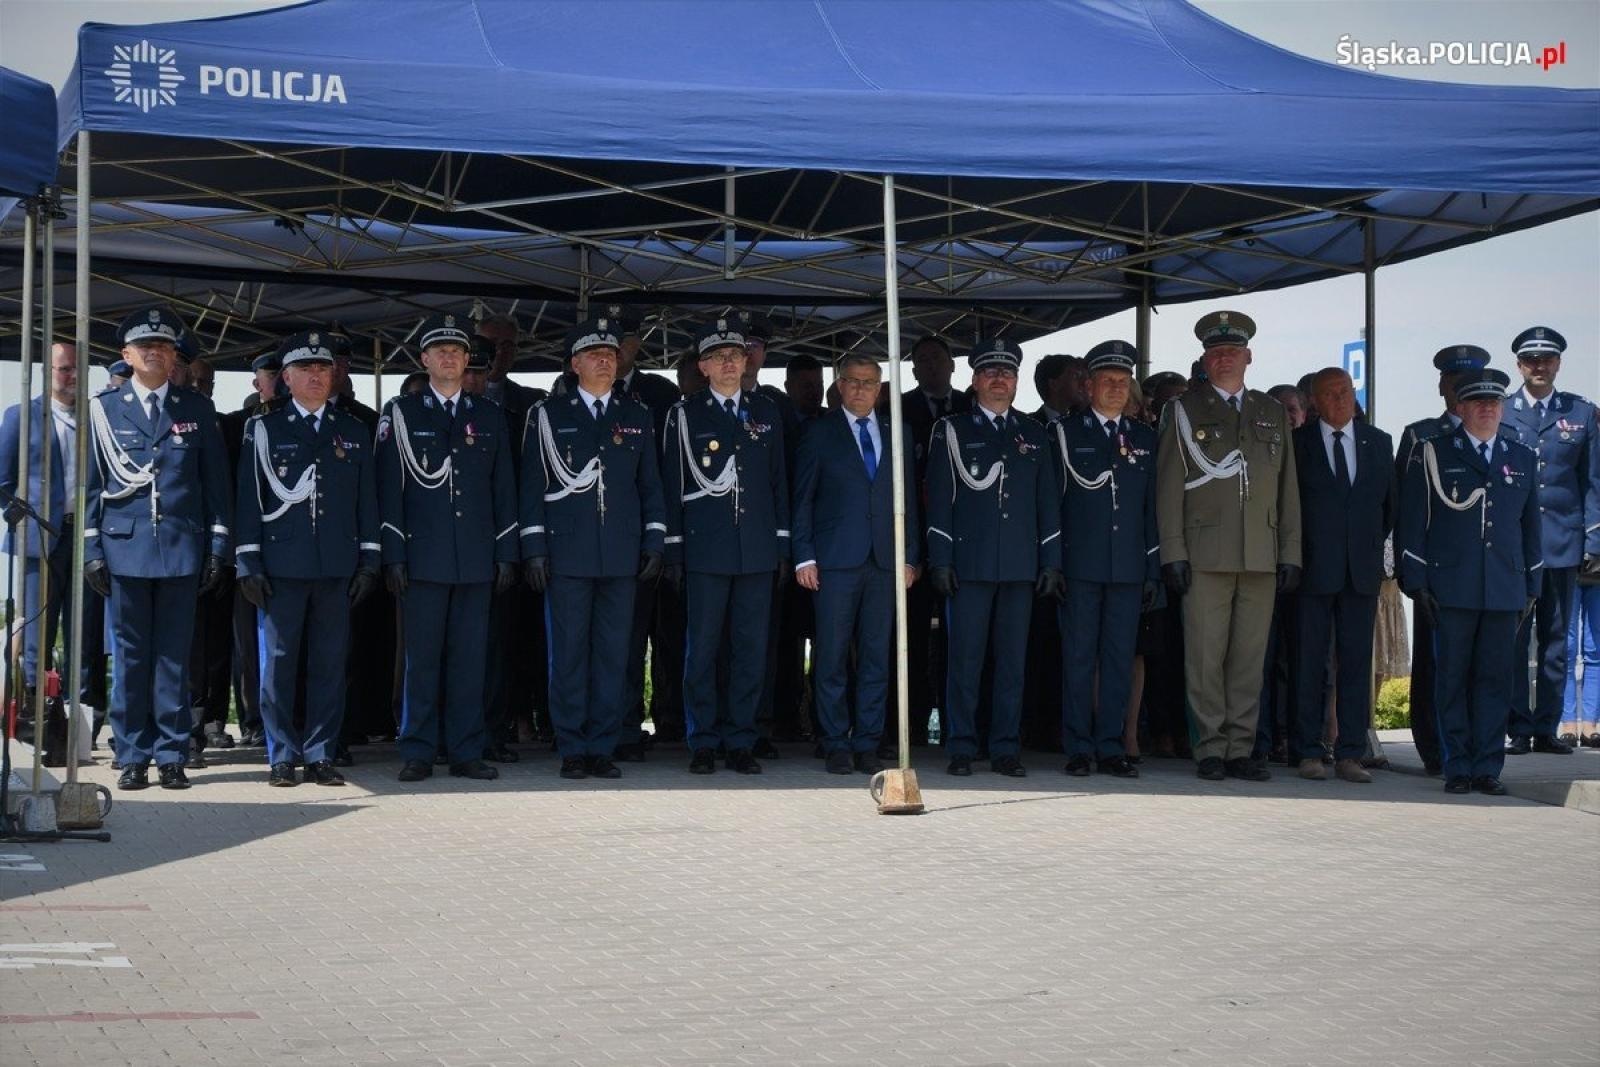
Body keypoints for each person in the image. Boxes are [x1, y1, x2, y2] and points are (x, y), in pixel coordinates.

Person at [82, 307, 233, 791]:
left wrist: (217, 546)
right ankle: (131, 754)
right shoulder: (103, 409)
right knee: (129, 657)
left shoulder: (197, 409)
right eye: (144, 346)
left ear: (175, 359)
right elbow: (90, 487)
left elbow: (216, 486)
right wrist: (91, 549)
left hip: (180, 548)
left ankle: (171, 753)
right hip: (124, 548)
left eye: (163, 347)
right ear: (126, 355)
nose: (154, 352)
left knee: (173, 656)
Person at [1156, 311, 1301, 783]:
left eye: (1232, 352)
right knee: (1204, 655)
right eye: (1216, 353)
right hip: (1204, 554)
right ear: (1204, 359)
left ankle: (1242, 747)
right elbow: (1169, 486)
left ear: (1248, 357)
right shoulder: (1182, 410)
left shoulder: (1271, 411)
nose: (1224, 359)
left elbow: (1288, 490)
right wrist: (1173, 551)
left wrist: (1290, 552)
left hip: (1260, 552)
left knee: (1248, 657)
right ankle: (1211, 748)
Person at [520, 317, 666, 779]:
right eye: (595, 354)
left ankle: (603, 745)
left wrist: (655, 541)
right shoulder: (547, 415)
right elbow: (531, 488)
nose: (606, 359)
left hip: (621, 556)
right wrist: (534, 548)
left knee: (614, 653)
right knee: (568, 654)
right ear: (574, 364)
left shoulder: (637, 415)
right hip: (567, 555)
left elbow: (651, 487)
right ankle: (571, 746)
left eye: (611, 353)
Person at [377, 312, 519, 783]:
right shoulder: (402, 414)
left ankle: (465, 749)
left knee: (468, 660)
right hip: (423, 558)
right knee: (421, 661)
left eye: (456, 352)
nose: (449, 358)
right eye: (440, 351)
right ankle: (418, 749)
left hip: (475, 558)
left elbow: (504, 491)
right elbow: (389, 489)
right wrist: (394, 554)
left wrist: (505, 553)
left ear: (466, 361)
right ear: (424, 360)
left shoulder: (489, 416)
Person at [234, 331, 379, 787]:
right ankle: (281, 754)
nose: (317, 377)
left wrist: (370, 560)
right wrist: (248, 562)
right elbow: (248, 500)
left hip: (335, 564)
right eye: (306, 370)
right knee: (277, 665)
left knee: (329, 663)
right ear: (286, 379)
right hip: (281, 565)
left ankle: (320, 752)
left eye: (323, 369)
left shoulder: (353, 430)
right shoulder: (264, 429)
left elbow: (366, 503)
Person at [1398, 366, 1540, 796]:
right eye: (1477, 402)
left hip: (1503, 588)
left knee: (1496, 681)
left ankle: (1487, 768)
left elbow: (1531, 528)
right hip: (1451, 587)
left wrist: (1532, 586)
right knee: (1452, 680)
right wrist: (1417, 582)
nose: (1486, 409)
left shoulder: (1521, 456)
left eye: (1493, 402)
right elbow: (1412, 522)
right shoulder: (1434, 452)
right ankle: (1456, 765)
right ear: (1460, 408)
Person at [925, 337, 1063, 777]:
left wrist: (1051, 562)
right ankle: (962, 746)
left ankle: (1005, 747)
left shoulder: (1035, 434)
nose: (999, 380)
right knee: (964, 661)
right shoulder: (953, 430)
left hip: (1020, 567)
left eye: (1007, 373)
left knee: (1012, 663)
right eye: (990, 372)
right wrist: (940, 559)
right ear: (975, 380)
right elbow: (939, 500)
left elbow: (1048, 506)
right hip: (969, 564)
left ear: (1017, 382)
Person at [661, 317, 790, 775]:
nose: (730, 362)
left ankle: (741, 738)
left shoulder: (766, 412)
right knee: (704, 649)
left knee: (749, 649)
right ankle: (703, 739)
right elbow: (672, 485)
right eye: (719, 356)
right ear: (704, 366)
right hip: (706, 550)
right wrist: (674, 550)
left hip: (754, 549)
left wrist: (780, 545)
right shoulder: (684, 414)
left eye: (736, 354)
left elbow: (778, 483)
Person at [791, 353, 918, 773]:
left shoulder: (897, 431)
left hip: (885, 561)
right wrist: (804, 555)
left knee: (876, 657)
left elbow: (910, 503)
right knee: (830, 655)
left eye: (870, 382)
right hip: (834, 561)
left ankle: (867, 741)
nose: (862, 389)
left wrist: (911, 557)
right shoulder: (818, 431)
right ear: (839, 386)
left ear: (881, 390)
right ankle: (834, 741)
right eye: (854, 381)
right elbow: (803, 497)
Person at [1048, 340, 1158, 778]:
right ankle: (1078, 746)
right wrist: (1053, 563)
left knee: (1118, 658)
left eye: (1122, 381)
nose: (1115, 388)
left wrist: (1152, 567)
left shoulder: (1146, 438)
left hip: (1128, 568)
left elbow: (1152, 510)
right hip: (1079, 566)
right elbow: (1051, 505)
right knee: (1078, 658)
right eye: (1107, 381)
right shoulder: (1065, 434)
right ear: (1089, 385)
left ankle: (1111, 745)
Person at [1291, 367, 1397, 784]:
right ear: (1314, 401)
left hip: (1361, 570)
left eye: (1346, 391)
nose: (1341, 399)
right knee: (1310, 664)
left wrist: (1366, 550)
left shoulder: (1378, 442)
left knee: (1355, 663)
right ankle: (1308, 751)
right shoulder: (1298, 444)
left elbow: (1389, 508)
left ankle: (1351, 752)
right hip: (1313, 569)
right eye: (1330, 394)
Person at [1394, 345, 1491, 776]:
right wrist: (1411, 572)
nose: (1459, 390)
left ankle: (1474, 746)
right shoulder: (1421, 435)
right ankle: (1434, 747)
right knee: (1434, 665)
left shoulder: (1501, 436)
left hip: (1486, 574)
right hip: (1436, 573)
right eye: (1452, 382)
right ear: (1441, 387)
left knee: (1481, 667)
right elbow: (1405, 508)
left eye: (1467, 383)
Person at [0, 342, 96, 756]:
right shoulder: (21, 416)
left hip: (87, 535)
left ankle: (78, 724)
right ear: (47, 372)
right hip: (40, 537)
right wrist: (22, 516)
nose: (71, 376)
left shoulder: (95, 417)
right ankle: (38, 723)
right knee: (38, 633)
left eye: (77, 369)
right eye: (63, 369)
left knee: (85, 631)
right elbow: (2, 480)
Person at [1502, 326, 1594, 756]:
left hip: (1561, 543)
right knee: (1515, 642)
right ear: (1519, 365)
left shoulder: (1582, 412)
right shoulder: (1501, 411)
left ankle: (1547, 728)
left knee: (1557, 643)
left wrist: (1593, 541)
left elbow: (1592, 482)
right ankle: (1519, 727)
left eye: (1547, 359)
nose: (1539, 366)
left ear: (1558, 363)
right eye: (1530, 360)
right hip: (1517, 547)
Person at [608, 313, 682, 760]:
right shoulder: (567, 390)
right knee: (623, 640)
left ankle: (669, 718)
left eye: (622, 340)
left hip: (658, 533)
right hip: (613, 540)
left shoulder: (660, 393)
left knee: (667, 639)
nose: (612, 350)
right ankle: (621, 725)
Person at [901, 334, 970, 746]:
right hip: (913, 546)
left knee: (959, 641)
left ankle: (955, 723)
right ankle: (906, 725)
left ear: (952, 365)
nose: (930, 366)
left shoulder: (969, 407)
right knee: (908, 638)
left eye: (937, 359)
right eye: (921, 361)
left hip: (962, 547)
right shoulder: (899, 409)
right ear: (913, 370)